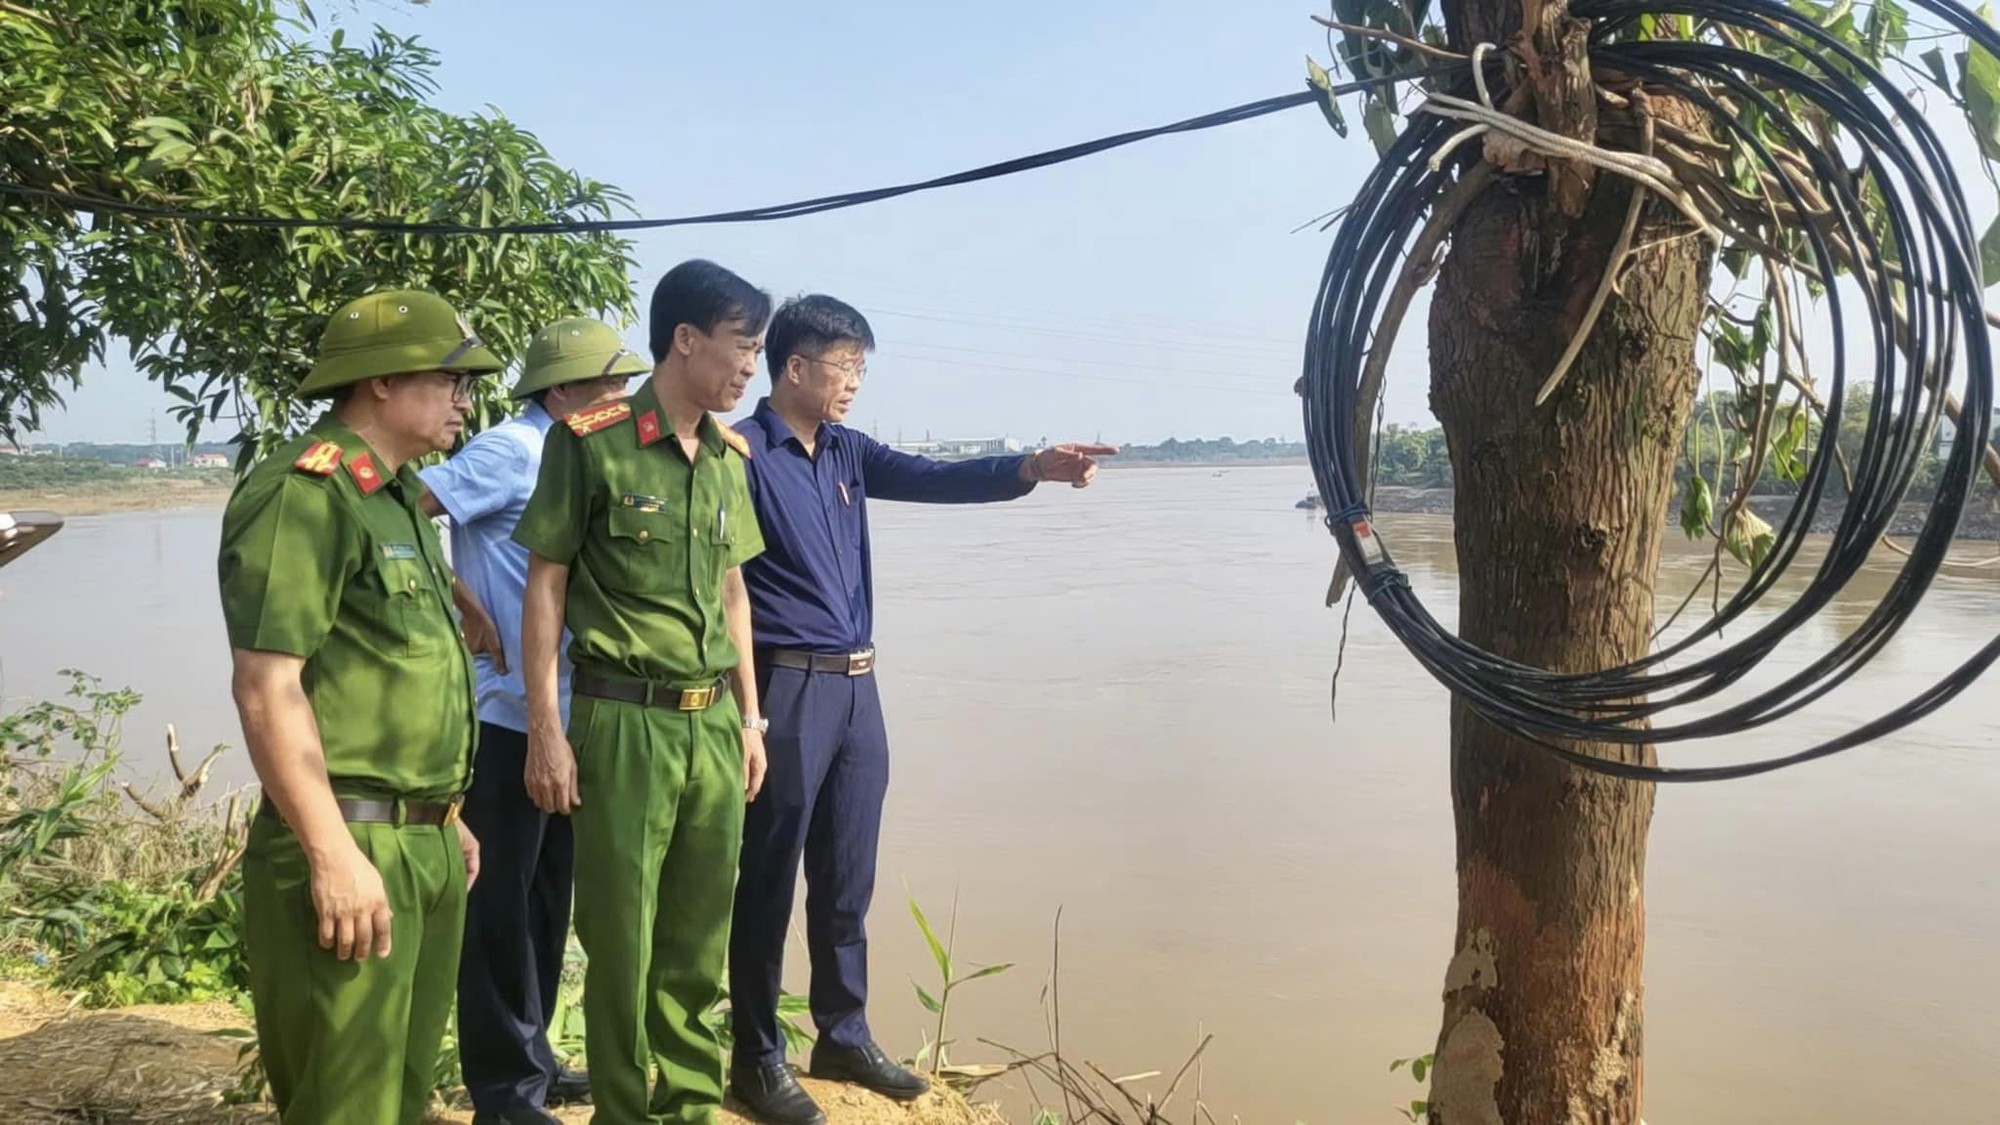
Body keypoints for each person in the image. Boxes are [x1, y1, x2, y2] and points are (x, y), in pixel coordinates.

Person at [725, 294, 1114, 1125]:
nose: (855, 382)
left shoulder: (847, 453)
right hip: (784, 684)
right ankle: (755, 1056)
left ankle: (843, 1030)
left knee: (846, 871)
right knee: (766, 875)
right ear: (795, 367)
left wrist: (1030, 467)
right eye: (846, 366)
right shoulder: (741, 454)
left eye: (863, 368)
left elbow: (937, 478)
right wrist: (744, 711)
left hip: (859, 688)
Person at [217, 288, 498, 1124]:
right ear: (378, 381)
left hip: (423, 839)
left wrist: (445, 811)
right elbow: (267, 687)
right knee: (346, 1103)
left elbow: (396, 675)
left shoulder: (399, 501)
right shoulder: (306, 494)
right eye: (450, 378)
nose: (465, 398)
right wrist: (333, 855)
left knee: (402, 1094)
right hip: (348, 840)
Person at [512, 259, 773, 1125]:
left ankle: (691, 1103)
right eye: (742, 347)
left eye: (760, 352)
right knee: (621, 939)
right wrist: (546, 727)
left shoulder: (729, 456)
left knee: (699, 937)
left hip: (713, 723)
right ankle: (624, 1111)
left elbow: (734, 591)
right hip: (621, 717)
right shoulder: (591, 439)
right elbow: (544, 582)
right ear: (686, 339)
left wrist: (751, 717)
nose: (749, 369)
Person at [418, 318, 648, 1125]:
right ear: (560, 393)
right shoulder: (510, 451)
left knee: (549, 900)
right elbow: (396, 504)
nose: (622, 400)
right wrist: (463, 601)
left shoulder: (583, 452)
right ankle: (503, 1093)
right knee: (500, 909)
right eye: (607, 387)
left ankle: (535, 1058)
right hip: (508, 718)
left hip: (569, 714)